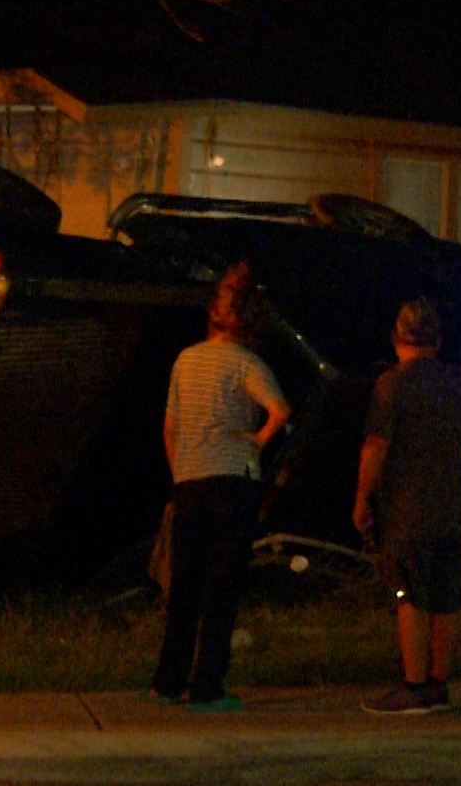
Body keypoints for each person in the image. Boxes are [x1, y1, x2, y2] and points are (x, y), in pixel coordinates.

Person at [147, 262, 290, 712]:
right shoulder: (248, 362)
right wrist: (258, 441)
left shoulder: (185, 359)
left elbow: (169, 428)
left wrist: (181, 468)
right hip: (233, 479)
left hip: (189, 480)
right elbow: (279, 411)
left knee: (183, 585)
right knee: (221, 587)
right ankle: (206, 685)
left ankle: (167, 682)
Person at [353, 298, 461, 715]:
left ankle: (414, 685)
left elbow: (376, 446)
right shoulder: (455, 384)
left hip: (409, 508)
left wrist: (362, 497)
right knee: (445, 597)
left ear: (396, 339)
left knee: (410, 596)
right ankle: (439, 683)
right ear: (437, 342)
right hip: (451, 507)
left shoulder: (392, 384)